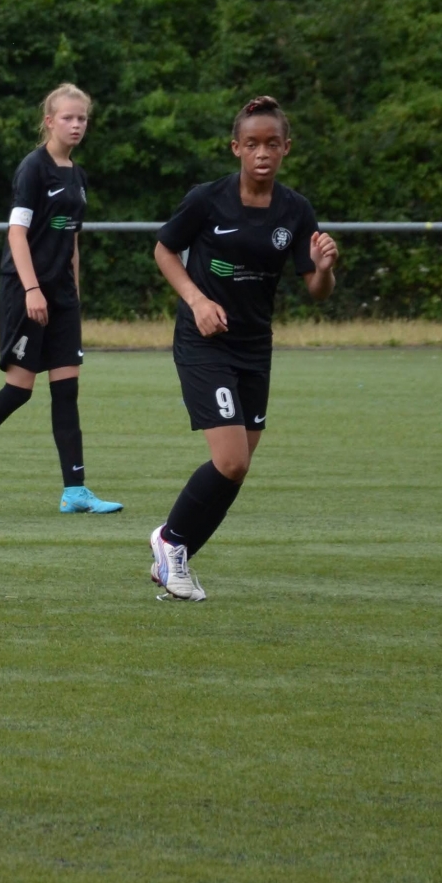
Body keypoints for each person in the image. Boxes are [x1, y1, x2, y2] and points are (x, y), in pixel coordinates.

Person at [147, 96, 338, 602]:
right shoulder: (207, 199)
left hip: (255, 346)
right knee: (230, 461)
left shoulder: (295, 210)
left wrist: (324, 269)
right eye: (252, 144)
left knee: (238, 468)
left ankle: (175, 557)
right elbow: (164, 249)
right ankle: (169, 541)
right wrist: (197, 300)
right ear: (236, 148)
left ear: (286, 148)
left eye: (272, 144)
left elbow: (317, 291)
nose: (262, 153)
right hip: (205, 342)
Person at [0, 84, 123, 516]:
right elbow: (17, 234)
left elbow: (72, 240)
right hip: (25, 292)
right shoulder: (33, 168)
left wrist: (73, 295)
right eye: (68, 117)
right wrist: (33, 289)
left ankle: (75, 490)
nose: (76, 125)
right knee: (19, 390)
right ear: (49, 121)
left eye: (82, 118)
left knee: (67, 390)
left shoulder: (77, 175)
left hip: (62, 297)